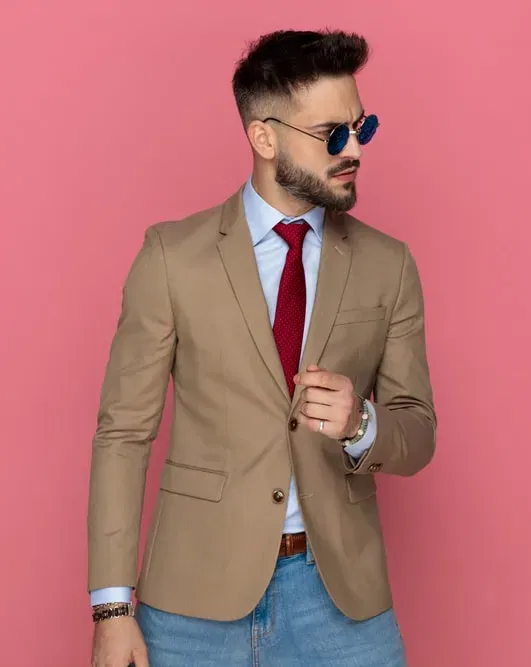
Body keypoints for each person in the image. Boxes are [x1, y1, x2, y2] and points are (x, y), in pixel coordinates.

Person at [86, 28, 437, 667]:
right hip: (193, 600)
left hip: (340, 602)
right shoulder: (172, 258)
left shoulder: (390, 265)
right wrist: (112, 609)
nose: (354, 147)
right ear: (264, 137)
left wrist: (362, 424)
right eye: (331, 133)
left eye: (362, 127)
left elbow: (417, 432)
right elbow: (123, 435)